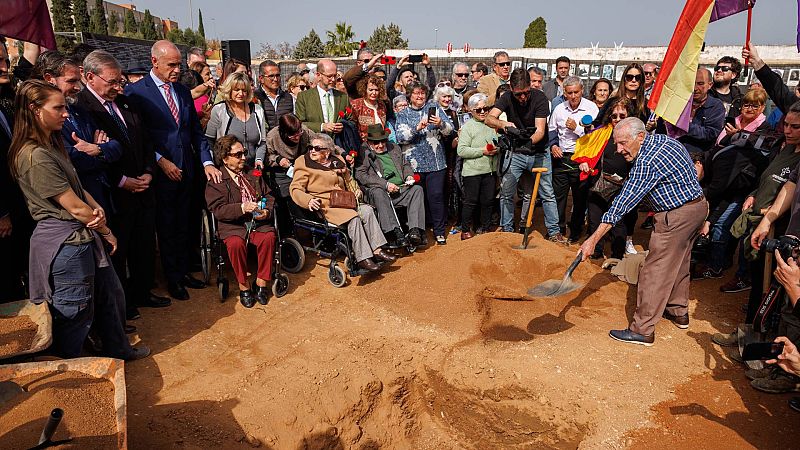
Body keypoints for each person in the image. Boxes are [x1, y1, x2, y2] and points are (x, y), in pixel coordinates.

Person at [11, 79, 149, 360]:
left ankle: (117, 349)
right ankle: (69, 370)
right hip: (66, 245)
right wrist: (105, 228)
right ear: (35, 110)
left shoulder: (51, 144)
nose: (65, 113)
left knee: (110, 297)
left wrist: (98, 211)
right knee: (74, 311)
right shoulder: (34, 156)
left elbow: (77, 187)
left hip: (84, 234)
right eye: (58, 108)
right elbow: (74, 207)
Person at [579, 118, 707, 346]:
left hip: (675, 217)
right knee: (679, 262)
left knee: (654, 270)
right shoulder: (666, 141)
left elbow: (622, 205)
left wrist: (593, 239)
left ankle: (642, 329)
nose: (618, 150)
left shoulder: (647, 162)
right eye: (616, 144)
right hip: (697, 208)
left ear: (640, 137)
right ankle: (679, 312)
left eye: (623, 143)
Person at [124, 40, 221, 301]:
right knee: (166, 226)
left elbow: (194, 132)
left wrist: (207, 161)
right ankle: (173, 279)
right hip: (160, 174)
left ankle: (184, 270)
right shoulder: (136, 93)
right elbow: (138, 137)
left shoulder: (181, 92)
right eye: (172, 65)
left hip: (187, 169)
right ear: (154, 61)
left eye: (179, 64)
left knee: (186, 223)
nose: (177, 70)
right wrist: (160, 161)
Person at [77, 50, 169, 321]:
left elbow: (145, 142)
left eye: (120, 82)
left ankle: (143, 292)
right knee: (119, 250)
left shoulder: (127, 104)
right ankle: (122, 303)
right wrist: (122, 180)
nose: (118, 87)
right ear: (90, 77)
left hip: (143, 187)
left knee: (143, 246)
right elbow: (94, 155)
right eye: (112, 82)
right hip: (114, 194)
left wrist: (149, 172)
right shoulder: (82, 110)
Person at [290, 133, 395, 271]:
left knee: (367, 211)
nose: (312, 151)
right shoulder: (303, 163)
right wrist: (308, 200)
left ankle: (377, 249)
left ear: (327, 151)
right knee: (354, 217)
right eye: (310, 148)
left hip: (345, 201)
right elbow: (295, 188)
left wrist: (357, 191)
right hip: (325, 205)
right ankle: (363, 258)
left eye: (316, 148)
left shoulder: (337, 160)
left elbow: (349, 180)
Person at [698, 88, 770, 279]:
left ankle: (716, 266)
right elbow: (718, 146)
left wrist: (738, 136)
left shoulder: (763, 129)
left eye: (755, 105)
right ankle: (717, 260)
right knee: (715, 221)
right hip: (720, 180)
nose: (749, 108)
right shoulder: (732, 121)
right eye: (746, 104)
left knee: (722, 224)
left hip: (742, 186)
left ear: (762, 107)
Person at [485, 68, 563, 242]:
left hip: (539, 152)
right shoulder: (506, 97)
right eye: (518, 94)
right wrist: (504, 124)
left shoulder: (539, 97)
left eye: (526, 92)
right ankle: (507, 229)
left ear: (530, 87)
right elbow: (489, 119)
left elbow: (540, 131)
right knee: (507, 192)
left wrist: (527, 142)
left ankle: (554, 232)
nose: (523, 97)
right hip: (516, 154)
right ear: (511, 89)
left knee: (547, 193)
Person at [206, 135, 276, 308]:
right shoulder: (217, 180)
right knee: (235, 244)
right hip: (232, 226)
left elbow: (269, 196)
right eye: (238, 155)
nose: (244, 157)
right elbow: (218, 209)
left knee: (268, 238)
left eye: (244, 153)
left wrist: (266, 211)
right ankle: (244, 285)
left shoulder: (253, 173)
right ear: (225, 158)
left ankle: (261, 282)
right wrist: (242, 208)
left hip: (257, 223)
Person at [395, 81, 454, 245]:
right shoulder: (403, 114)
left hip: (436, 162)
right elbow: (401, 137)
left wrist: (440, 124)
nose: (420, 96)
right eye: (416, 93)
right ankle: (419, 231)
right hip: (413, 165)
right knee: (418, 198)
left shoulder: (434, 108)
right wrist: (417, 127)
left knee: (436, 196)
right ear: (409, 96)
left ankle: (439, 231)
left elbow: (450, 130)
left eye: (422, 93)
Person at [582, 97, 638, 260]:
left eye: (622, 115)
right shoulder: (600, 132)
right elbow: (584, 152)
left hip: (622, 186)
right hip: (598, 184)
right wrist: (584, 163)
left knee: (618, 224)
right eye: (614, 116)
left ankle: (617, 257)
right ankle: (596, 252)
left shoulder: (635, 137)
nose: (618, 119)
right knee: (594, 219)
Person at [0, 37, 33, 302]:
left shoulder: (7, 99)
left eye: (5, 59)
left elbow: (30, 56)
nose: (5, 66)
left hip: (20, 203)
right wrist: (2, 213)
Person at [355, 124, 425, 247]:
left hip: (401, 188)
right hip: (380, 191)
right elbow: (361, 175)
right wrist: (385, 184)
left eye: (382, 141)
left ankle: (415, 230)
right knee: (378, 192)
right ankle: (395, 232)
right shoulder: (364, 151)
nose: (380, 145)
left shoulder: (394, 147)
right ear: (369, 142)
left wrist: (409, 176)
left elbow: (406, 165)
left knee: (417, 189)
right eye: (376, 143)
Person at [548, 76, 599, 241]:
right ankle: (559, 230)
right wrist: (553, 145)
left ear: (582, 91)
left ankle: (576, 231)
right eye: (569, 93)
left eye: (576, 92)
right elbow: (552, 129)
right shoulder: (559, 109)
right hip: (562, 157)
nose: (573, 96)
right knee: (559, 197)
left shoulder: (591, 108)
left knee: (579, 198)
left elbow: (595, 136)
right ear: (565, 93)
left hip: (582, 159)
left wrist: (576, 128)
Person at [457, 93, 498, 239]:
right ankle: (465, 230)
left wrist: (496, 149)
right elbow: (461, 150)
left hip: (490, 171)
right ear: (471, 111)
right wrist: (483, 151)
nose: (482, 112)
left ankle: (485, 228)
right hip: (472, 172)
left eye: (485, 108)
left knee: (488, 201)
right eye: (478, 109)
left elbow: (496, 143)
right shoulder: (468, 127)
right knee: (471, 201)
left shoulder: (492, 124)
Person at [205, 72, 266, 170]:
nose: (241, 94)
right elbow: (209, 140)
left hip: (253, 168)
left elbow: (262, 141)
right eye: (236, 90)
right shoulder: (219, 110)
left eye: (244, 90)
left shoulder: (257, 110)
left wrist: (259, 160)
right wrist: (213, 165)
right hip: (227, 168)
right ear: (229, 90)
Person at [657, 68, 725, 153]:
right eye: (692, 83)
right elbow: (661, 131)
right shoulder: (678, 102)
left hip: (699, 157)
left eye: (700, 84)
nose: (695, 88)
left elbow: (710, 134)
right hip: (673, 153)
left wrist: (683, 125)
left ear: (710, 85)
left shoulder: (715, 105)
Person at [295, 59, 350, 136]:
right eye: (329, 76)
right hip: (315, 143)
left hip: (339, 144)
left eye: (335, 75)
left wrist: (343, 126)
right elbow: (299, 123)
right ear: (318, 75)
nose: (333, 79)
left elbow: (350, 120)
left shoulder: (343, 97)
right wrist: (321, 126)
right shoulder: (304, 97)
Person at [254, 60, 294, 132]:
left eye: (278, 75)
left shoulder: (288, 97)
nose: (275, 79)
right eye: (271, 76)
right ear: (261, 79)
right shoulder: (255, 97)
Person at [350, 74, 387, 142]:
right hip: (363, 145)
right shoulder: (356, 105)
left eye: (376, 90)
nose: (374, 93)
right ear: (365, 89)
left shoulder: (382, 105)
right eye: (371, 90)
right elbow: (352, 128)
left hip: (381, 143)